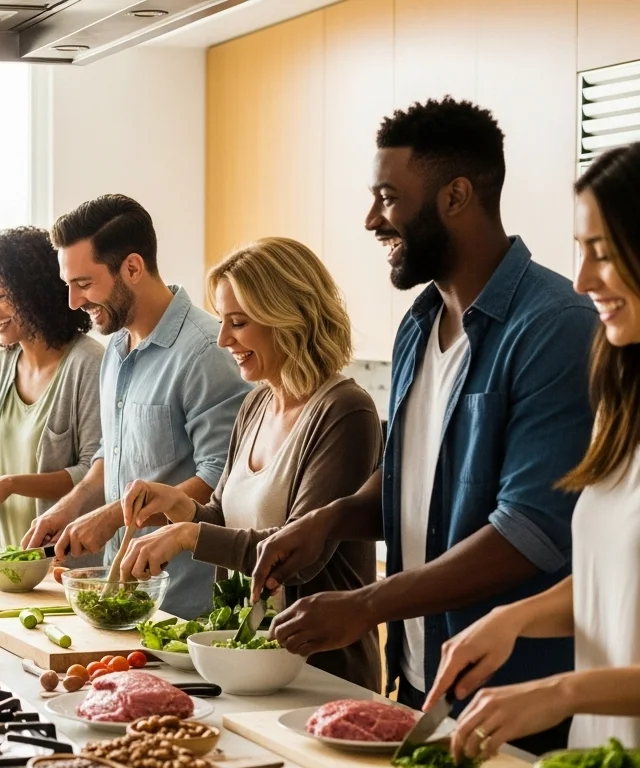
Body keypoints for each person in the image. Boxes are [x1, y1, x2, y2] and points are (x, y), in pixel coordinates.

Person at [251, 98, 597, 755]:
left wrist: (369, 604)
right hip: (418, 682)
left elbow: (527, 534)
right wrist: (332, 519)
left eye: (389, 197)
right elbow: (417, 478)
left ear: (457, 196)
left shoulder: (553, 327)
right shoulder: (419, 323)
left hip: (521, 703)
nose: (371, 219)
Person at [425, 142, 640, 763]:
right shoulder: (621, 405)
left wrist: (561, 691)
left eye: (602, 252)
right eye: (581, 250)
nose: (582, 280)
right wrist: (515, 619)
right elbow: (614, 579)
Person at [116, 237, 383, 691]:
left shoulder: (344, 411)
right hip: (247, 660)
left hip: (319, 673)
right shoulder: (256, 404)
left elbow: (299, 557)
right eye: (222, 322)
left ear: (289, 317)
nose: (223, 340)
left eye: (237, 323)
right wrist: (180, 506)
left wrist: (188, 534)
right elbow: (224, 515)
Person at [22, 193, 249, 620]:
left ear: (132, 267)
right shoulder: (117, 347)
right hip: (125, 598)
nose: (73, 302)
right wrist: (70, 506)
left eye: (84, 284)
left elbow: (220, 477)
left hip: (185, 610)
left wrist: (113, 518)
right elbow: (114, 453)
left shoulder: (206, 351)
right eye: (68, 285)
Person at [0, 226, 103, 549]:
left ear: (35, 292)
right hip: (9, 562)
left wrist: (10, 484)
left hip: (63, 569)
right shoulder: (5, 363)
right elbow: (5, 457)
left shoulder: (89, 364)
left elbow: (92, 474)